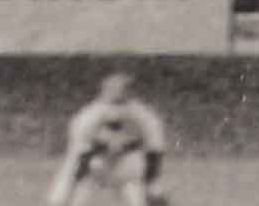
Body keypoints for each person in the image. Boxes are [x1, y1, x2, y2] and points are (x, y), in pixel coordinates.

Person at [46, 72, 170, 206]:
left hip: (127, 162)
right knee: (70, 191)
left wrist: (152, 180)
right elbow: (80, 150)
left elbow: (155, 147)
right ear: (104, 91)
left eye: (121, 89)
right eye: (112, 89)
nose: (117, 93)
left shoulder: (142, 114)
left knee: (142, 196)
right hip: (97, 161)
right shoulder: (90, 114)